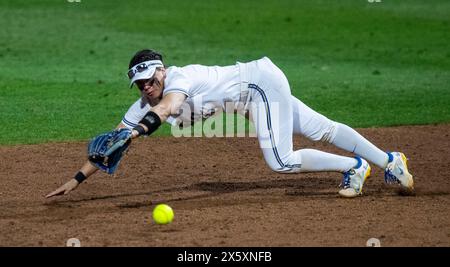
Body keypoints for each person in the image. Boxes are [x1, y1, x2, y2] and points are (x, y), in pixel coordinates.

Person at [45, 49, 414, 199]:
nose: (146, 86)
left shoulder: (178, 80)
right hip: (257, 91)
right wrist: (75, 180)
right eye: (140, 83)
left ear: (161, 69)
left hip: (258, 87)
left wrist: (145, 128)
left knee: (282, 160)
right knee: (322, 130)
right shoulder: (143, 103)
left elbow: (171, 106)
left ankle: (357, 165)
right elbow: (114, 141)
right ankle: (390, 160)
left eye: (149, 78)